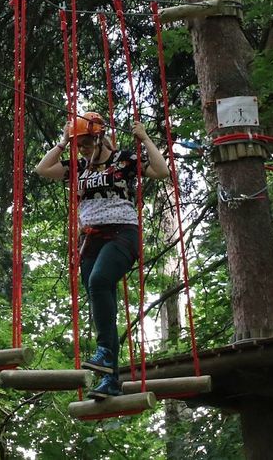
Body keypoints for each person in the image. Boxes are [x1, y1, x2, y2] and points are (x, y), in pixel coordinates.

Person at [34, 110, 169, 399]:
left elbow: (161, 171)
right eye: (78, 145)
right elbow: (42, 169)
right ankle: (111, 380)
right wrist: (62, 141)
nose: (81, 149)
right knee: (101, 304)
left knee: (98, 281)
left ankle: (105, 355)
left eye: (84, 143)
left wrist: (144, 139)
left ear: (100, 138)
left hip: (122, 233)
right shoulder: (79, 167)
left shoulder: (125, 160)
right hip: (91, 240)